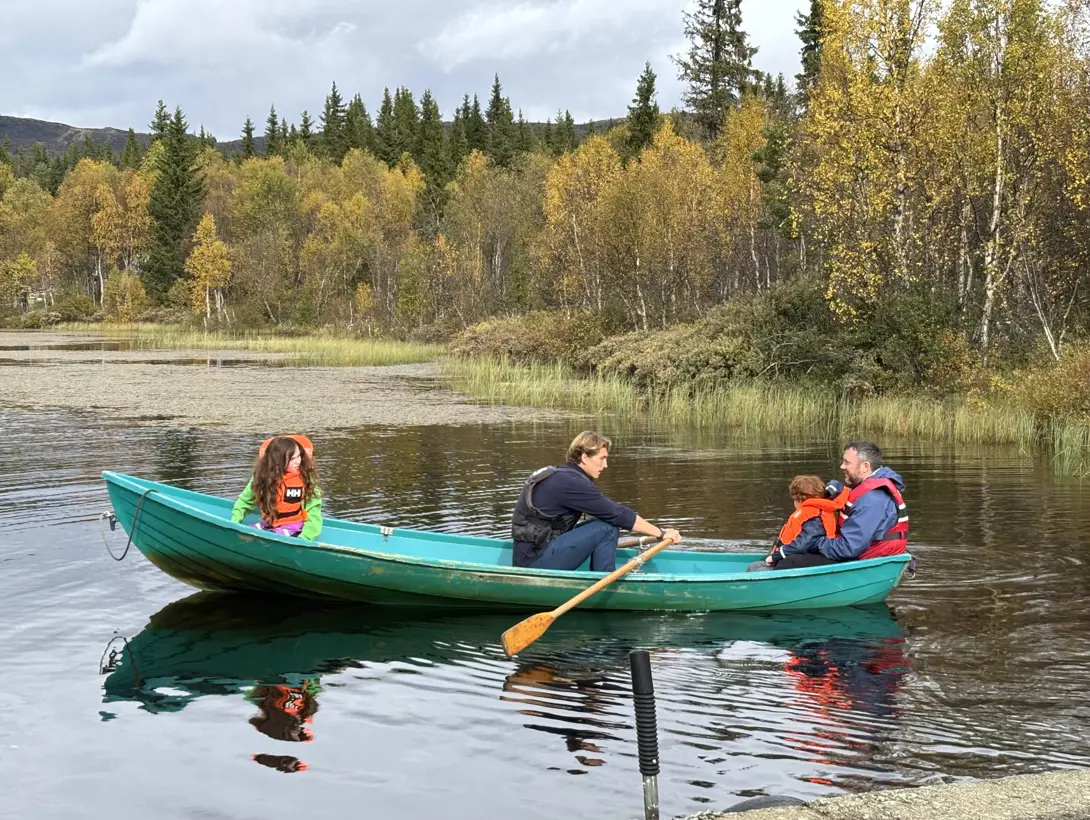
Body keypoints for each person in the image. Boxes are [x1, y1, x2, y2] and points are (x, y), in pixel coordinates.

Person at [510, 431, 680, 572]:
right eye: (602, 458)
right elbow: (617, 514)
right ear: (584, 457)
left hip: (531, 554)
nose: (605, 465)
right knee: (607, 527)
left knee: (602, 522)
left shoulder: (561, 474)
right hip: (534, 564)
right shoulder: (571, 483)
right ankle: (605, 584)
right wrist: (661, 533)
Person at [772, 440, 908, 570]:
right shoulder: (865, 488)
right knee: (795, 552)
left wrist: (813, 542)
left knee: (791, 562)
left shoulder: (873, 499)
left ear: (865, 467)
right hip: (858, 551)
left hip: (866, 557)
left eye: (847, 463)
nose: (842, 466)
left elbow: (848, 548)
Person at [747, 475, 849, 572]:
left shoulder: (815, 516)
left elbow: (804, 543)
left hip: (808, 556)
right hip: (793, 554)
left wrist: (777, 556)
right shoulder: (811, 511)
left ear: (800, 499)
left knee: (759, 570)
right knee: (754, 566)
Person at [232, 434, 323, 540]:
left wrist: (305, 538)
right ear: (279, 461)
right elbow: (245, 501)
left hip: (293, 527)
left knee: (265, 538)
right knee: (244, 535)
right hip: (268, 524)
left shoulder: (306, 478)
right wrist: (235, 522)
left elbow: (313, 510)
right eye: (293, 458)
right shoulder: (261, 476)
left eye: (299, 456)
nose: (298, 461)